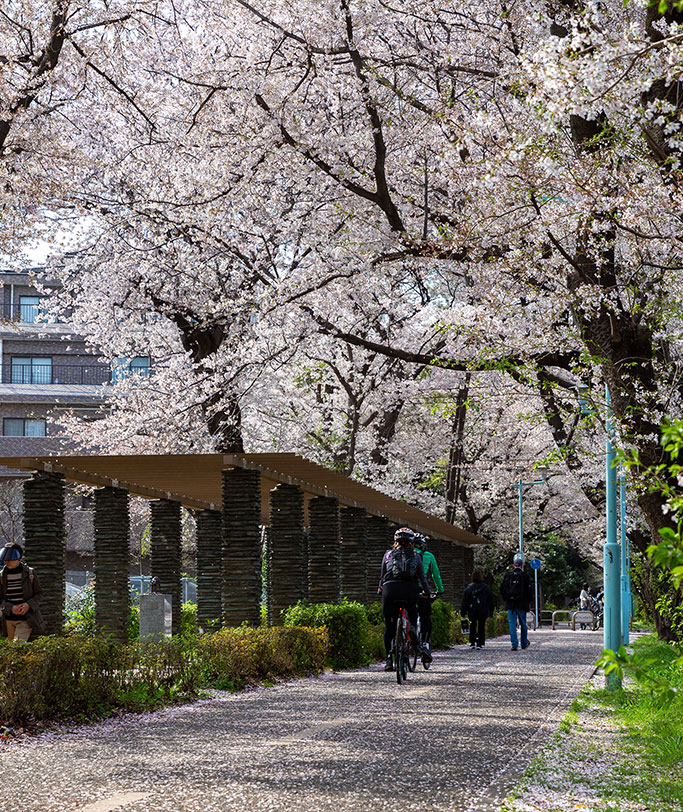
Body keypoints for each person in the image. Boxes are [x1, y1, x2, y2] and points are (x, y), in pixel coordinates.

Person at [378, 527, 433, 671]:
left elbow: (383, 576)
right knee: (412, 612)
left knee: (389, 626)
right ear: (411, 542)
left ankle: (389, 659)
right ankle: (412, 630)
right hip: (409, 590)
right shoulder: (416, 556)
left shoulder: (388, 554)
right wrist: (427, 593)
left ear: (395, 541)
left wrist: (380, 590)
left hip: (390, 590)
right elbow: (422, 578)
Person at [0, 542, 45, 642]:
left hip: (26, 619)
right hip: (8, 620)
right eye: (5, 559)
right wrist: (11, 607)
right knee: (12, 651)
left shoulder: (30, 573)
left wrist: (28, 605)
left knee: (18, 645)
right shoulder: (1, 576)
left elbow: (39, 594)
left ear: (18, 557)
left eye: (10, 559)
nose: (7, 561)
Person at [414, 533, 444, 660]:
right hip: (422, 591)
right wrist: (440, 590)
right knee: (425, 618)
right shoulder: (428, 556)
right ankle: (425, 644)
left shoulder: (405, 555)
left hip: (403, 590)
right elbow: (435, 575)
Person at [500, 554, 533, 651]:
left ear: (513, 565)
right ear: (522, 566)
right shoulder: (525, 576)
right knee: (523, 624)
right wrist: (528, 601)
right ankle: (524, 643)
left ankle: (514, 644)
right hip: (522, 604)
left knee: (512, 624)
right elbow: (529, 592)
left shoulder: (508, 575)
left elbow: (502, 589)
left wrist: (507, 599)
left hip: (510, 604)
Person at [460, 569, 494, 650]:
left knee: (473, 625)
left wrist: (463, 612)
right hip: (483, 609)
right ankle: (480, 643)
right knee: (481, 625)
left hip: (472, 609)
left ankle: (472, 642)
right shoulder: (486, 587)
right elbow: (491, 600)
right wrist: (491, 611)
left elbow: (465, 601)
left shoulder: (469, 588)